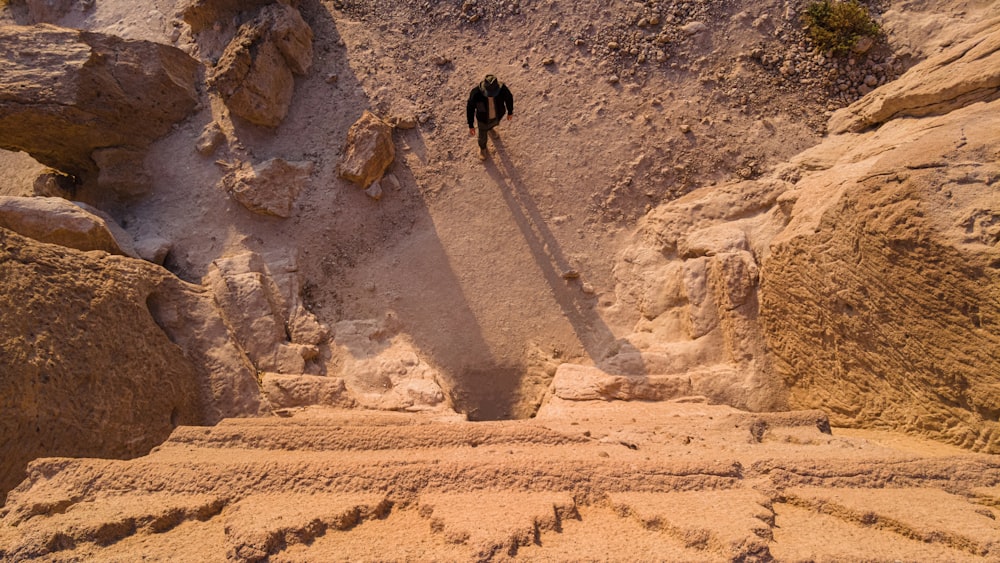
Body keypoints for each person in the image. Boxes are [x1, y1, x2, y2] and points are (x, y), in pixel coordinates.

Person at [466, 74, 514, 160]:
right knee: (482, 136)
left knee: (493, 124)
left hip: (497, 116)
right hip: (483, 119)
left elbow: (509, 98)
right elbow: (470, 108)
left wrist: (510, 111)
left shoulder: (502, 89)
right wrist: (471, 125)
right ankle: (483, 148)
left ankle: (490, 129)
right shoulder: (476, 93)